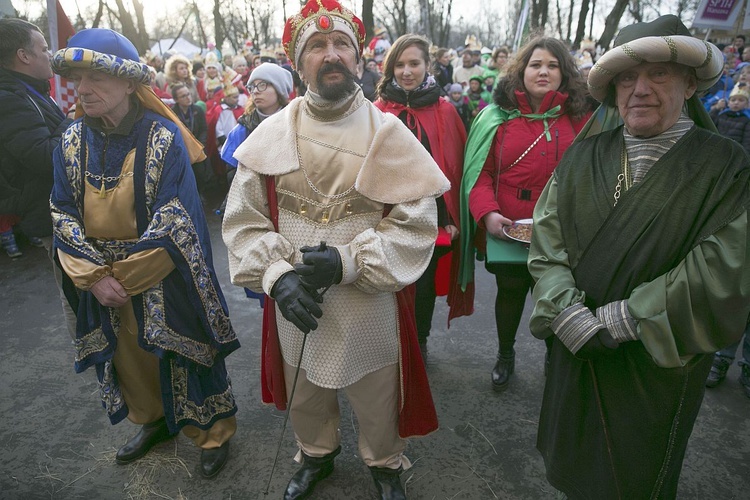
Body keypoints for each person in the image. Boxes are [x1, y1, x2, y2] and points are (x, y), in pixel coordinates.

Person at [222, 1, 445, 498]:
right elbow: (243, 220)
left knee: (378, 390)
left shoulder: (390, 134)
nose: (331, 55)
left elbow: (415, 225)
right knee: (304, 384)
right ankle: (316, 454)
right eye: (316, 46)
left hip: (367, 296)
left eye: (341, 43)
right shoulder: (270, 134)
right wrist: (277, 276)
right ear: (298, 63)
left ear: (360, 58)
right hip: (295, 294)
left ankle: (385, 463)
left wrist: (348, 261)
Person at [527, 15, 750, 499]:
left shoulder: (726, 166)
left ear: (690, 83)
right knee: (574, 461)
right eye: (627, 77)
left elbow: (726, 264)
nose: (640, 88)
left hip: (655, 361)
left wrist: (628, 317)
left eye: (658, 74)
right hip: (575, 345)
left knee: (636, 473)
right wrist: (564, 309)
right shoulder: (583, 156)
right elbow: (548, 242)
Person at [50, 28, 240, 479]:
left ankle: (213, 433)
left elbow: (176, 218)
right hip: (101, 278)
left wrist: (125, 277)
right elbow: (60, 210)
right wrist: (94, 277)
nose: (84, 88)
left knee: (186, 352)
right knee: (128, 358)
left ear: (130, 83)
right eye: (78, 78)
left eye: (97, 77)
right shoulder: (70, 140)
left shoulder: (162, 137)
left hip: (161, 272)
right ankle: (153, 420)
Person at [459, 36, 591, 392]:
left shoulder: (582, 118)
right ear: (522, 70)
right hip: (509, 228)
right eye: (536, 65)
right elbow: (479, 174)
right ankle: (505, 354)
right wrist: (487, 215)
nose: (544, 72)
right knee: (511, 291)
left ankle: (554, 357)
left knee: (556, 294)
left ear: (564, 73)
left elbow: (595, 174)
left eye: (552, 65)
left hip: (562, 230)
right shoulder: (495, 117)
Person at [374, 34, 473, 356]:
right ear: (389, 69)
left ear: (427, 66)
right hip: (385, 217)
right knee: (387, 282)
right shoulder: (376, 112)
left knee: (425, 284)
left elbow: (455, 170)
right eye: (399, 65)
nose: (406, 71)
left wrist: (453, 218)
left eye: (414, 63)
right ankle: (391, 343)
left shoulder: (445, 111)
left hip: (432, 218)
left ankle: (421, 341)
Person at [0, 18, 75, 327]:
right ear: (24, 56)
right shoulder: (9, 99)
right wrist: (72, 122)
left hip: (56, 209)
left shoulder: (28, 91)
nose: (50, 54)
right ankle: (98, 363)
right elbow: (45, 156)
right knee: (76, 296)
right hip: (49, 214)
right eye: (44, 48)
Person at [217, 62, 293, 214]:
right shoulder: (241, 130)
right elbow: (233, 175)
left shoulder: (295, 122)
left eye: (263, 85)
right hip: (254, 206)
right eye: (252, 87)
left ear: (279, 89)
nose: (256, 91)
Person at [171, 82, 213, 196]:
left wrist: (199, 144)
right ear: (176, 99)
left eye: (188, 94)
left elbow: (204, 129)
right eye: (183, 96)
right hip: (182, 149)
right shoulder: (172, 113)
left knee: (200, 174)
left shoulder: (197, 110)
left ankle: (200, 194)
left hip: (197, 147)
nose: (188, 98)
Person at [709, 82, 750, 155]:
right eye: (733, 100)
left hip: (733, 153)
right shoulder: (722, 115)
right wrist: (717, 108)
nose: (736, 103)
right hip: (716, 149)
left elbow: (747, 141)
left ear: (746, 104)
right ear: (728, 103)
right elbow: (709, 124)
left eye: (741, 100)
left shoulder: (746, 120)